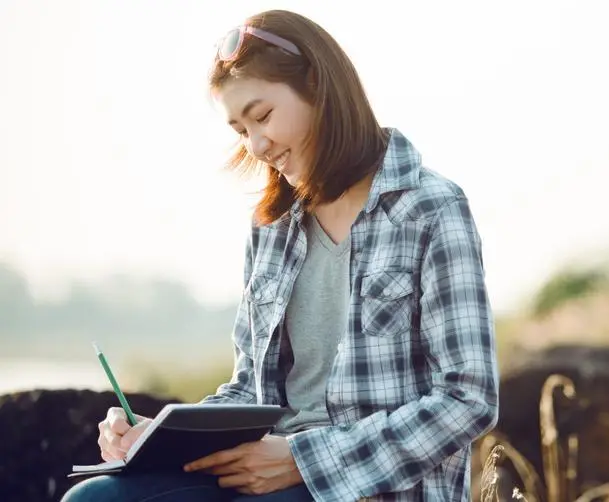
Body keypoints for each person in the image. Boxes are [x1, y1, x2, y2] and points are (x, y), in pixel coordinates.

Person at [61, 8, 499, 502]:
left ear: (316, 84)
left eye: (263, 116)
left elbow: (468, 398)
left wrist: (301, 461)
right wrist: (157, 435)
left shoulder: (431, 208)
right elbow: (248, 391)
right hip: (258, 476)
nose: (257, 144)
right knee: (94, 499)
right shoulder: (271, 228)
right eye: (240, 130)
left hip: (368, 487)